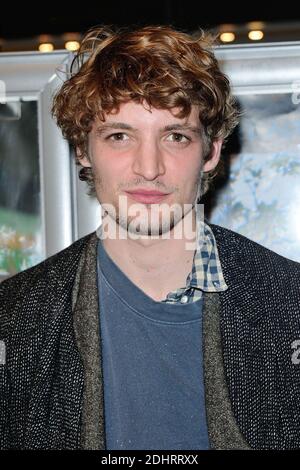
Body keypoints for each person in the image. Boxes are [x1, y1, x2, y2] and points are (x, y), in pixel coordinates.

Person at [1, 24, 300, 451]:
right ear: (83, 148)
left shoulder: (291, 304)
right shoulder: (15, 320)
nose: (148, 167)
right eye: (120, 136)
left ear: (211, 151)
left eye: (175, 136)